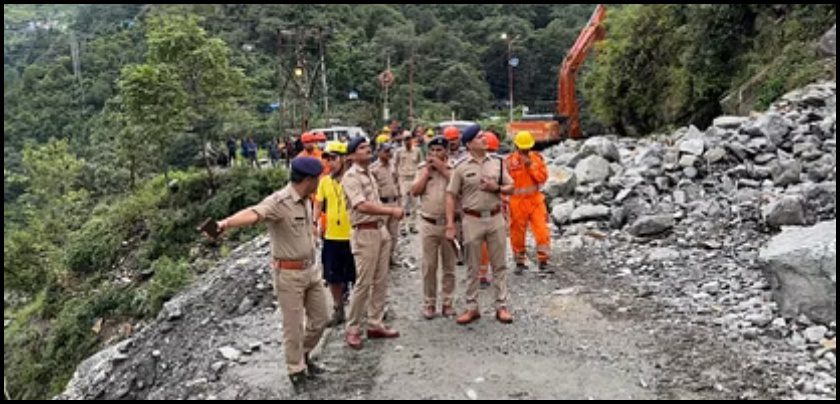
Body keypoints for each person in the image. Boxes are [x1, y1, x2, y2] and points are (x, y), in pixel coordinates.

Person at [205, 157, 328, 390]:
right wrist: (225, 224)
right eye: (317, 178)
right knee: (293, 327)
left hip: (311, 269)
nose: (319, 182)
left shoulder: (305, 200)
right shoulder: (279, 202)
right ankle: (297, 371)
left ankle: (303, 355)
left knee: (320, 319)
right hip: (288, 275)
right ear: (308, 180)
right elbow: (254, 213)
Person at [445, 124, 515, 325]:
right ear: (469, 144)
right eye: (479, 137)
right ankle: (472, 307)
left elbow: (511, 187)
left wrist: (497, 187)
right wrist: (450, 224)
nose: (485, 140)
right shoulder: (461, 167)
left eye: (484, 136)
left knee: (499, 264)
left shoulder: (498, 163)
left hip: (495, 218)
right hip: (472, 220)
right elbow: (451, 196)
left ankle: (501, 306)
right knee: (472, 266)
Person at [341, 136, 404, 349]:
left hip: (379, 230)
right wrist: (390, 211)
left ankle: (375, 323)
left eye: (368, 146)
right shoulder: (351, 177)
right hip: (364, 233)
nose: (367, 150)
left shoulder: (369, 173)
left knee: (381, 280)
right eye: (361, 148)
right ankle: (353, 328)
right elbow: (361, 206)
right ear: (351, 155)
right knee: (363, 283)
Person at [411, 136, 456, 319]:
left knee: (449, 266)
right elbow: (414, 191)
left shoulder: (454, 169)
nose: (435, 154)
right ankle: (429, 303)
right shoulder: (423, 169)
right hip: (429, 223)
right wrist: (427, 174)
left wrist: (443, 170)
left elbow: (460, 188)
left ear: (446, 151)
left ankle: (447, 302)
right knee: (429, 266)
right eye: (432, 151)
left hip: (449, 224)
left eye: (439, 150)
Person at [314, 141, 355, 327]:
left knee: (358, 276)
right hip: (331, 235)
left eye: (334, 158)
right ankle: (338, 309)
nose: (330, 163)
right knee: (332, 276)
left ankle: (363, 310)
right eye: (328, 159)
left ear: (344, 158)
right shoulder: (324, 181)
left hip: (353, 234)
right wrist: (316, 223)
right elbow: (318, 204)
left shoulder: (353, 179)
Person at [506, 131, 551, 274]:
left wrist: (530, 165)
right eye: (522, 148)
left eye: (527, 148)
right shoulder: (509, 161)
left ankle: (543, 260)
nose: (525, 150)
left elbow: (542, 178)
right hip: (516, 202)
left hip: (535, 200)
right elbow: (504, 181)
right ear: (516, 146)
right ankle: (519, 262)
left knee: (542, 231)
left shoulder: (537, 159)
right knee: (517, 233)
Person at [369, 141, 401, 265]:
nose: (389, 154)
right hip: (381, 204)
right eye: (386, 151)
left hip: (394, 201)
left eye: (390, 151)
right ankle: (381, 260)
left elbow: (396, 183)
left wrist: (400, 202)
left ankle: (391, 258)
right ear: (379, 152)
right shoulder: (374, 169)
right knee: (382, 234)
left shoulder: (393, 165)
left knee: (394, 233)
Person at [395, 131, 422, 234]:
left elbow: (420, 164)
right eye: (405, 139)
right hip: (403, 179)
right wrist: (397, 181)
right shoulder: (399, 152)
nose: (407, 141)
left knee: (415, 204)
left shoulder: (417, 151)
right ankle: (402, 227)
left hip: (414, 178)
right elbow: (396, 164)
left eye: (409, 138)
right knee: (404, 203)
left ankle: (412, 225)